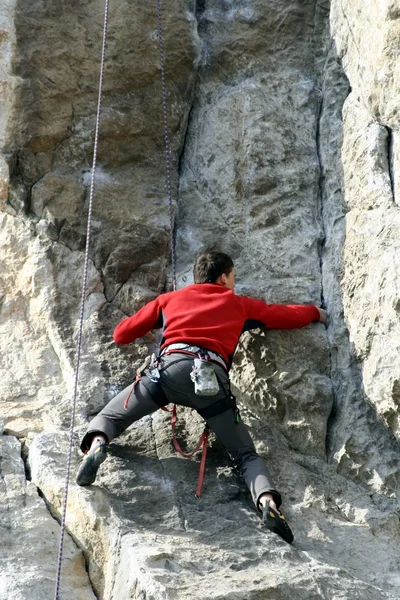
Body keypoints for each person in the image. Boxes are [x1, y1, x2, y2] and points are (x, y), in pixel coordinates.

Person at [76, 252, 327, 544]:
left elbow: (121, 335)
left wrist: (160, 319)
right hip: (211, 382)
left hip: (167, 374)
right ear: (223, 277)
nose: (234, 283)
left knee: (111, 416)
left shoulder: (170, 299)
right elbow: (284, 315)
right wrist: (315, 312)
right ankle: (267, 502)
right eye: (233, 277)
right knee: (245, 454)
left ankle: (98, 444)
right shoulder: (238, 304)